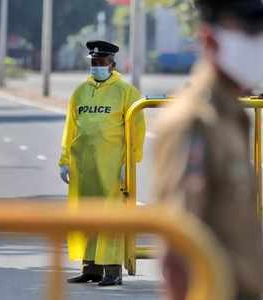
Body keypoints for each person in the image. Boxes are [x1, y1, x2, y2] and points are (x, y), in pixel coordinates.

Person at [153, 0, 263, 299]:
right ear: (209, 38)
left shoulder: (231, 114)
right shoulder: (194, 121)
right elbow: (178, 246)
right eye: (249, 33)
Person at [58, 40, 146, 286]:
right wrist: (64, 160)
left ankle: (112, 270)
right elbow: (70, 127)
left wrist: (130, 161)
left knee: (110, 216)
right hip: (83, 166)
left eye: (101, 62)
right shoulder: (80, 92)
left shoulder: (126, 92)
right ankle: (91, 267)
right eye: (93, 62)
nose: (96, 66)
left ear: (112, 64)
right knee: (85, 213)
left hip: (112, 167)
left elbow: (137, 129)